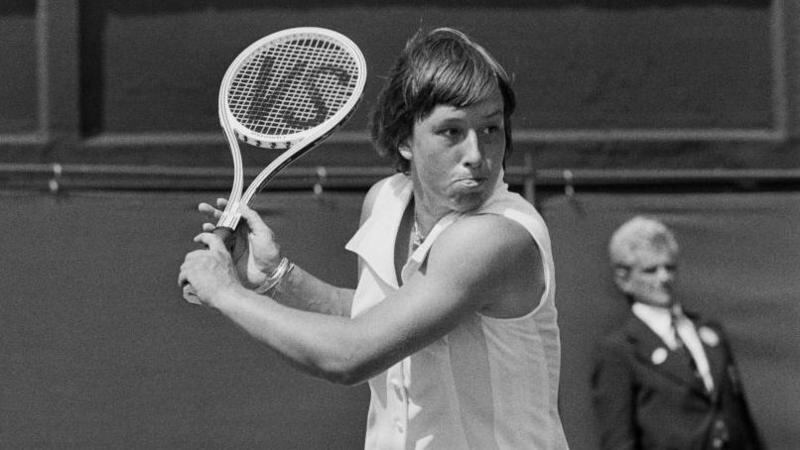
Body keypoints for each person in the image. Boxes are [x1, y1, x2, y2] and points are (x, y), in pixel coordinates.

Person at [179, 27, 568, 449]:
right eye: (452, 132)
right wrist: (276, 276)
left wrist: (225, 291)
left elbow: (349, 356)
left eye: (490, 129)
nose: (476, 154)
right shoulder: (384, 200)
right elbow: (376, 318)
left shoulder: (495, 237)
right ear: (404, 140)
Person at [590, 216, 762, 450]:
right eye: (651, 270)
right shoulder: (620, 350)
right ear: (624, 278)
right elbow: (618, 440)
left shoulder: (708, 332)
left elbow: (739, 417)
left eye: (669, 267)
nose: (664, 278)